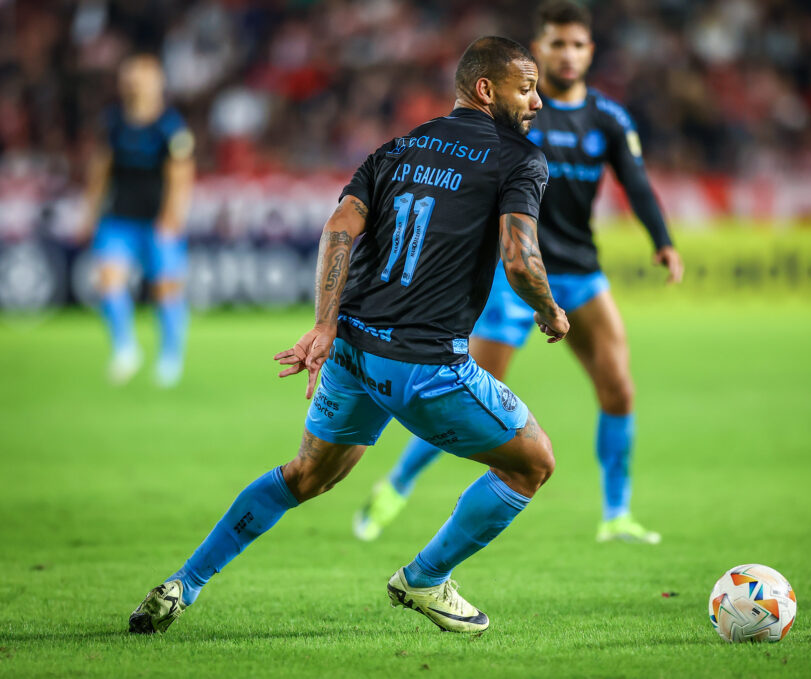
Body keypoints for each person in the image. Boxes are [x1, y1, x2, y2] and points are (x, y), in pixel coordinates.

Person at [128, 36, 569, 635]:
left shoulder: (396, 149)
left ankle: (185, 582)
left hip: (353, 352)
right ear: (486, 89)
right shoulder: (519, 158)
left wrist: (324, 323)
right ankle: (425, 578)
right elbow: (520, 261)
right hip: (425, 365)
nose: (538, 101)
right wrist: (550, 310)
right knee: (532, 463)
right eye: (527, 87)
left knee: (307, 475)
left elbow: (339, 227)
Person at [354, 0, 684, 545]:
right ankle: (397, 485)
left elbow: (638, 182)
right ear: (541, 47)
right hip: (515, 273)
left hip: (579, 269)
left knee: (619, 388)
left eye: (578, 44)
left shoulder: (608, 118)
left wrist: (664, 241)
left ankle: (617, 514)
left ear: (590, 51)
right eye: (557, 44)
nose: (568, 54)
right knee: (468, 395)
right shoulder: (517, 111)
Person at [80, 54, 195, 387]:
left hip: (157, 220)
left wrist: (172, 216)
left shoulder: (170, 126)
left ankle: (170, 358)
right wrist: (89, 213)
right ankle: (125, 348)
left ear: (156, 83)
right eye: (129, 77)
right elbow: (100, 170)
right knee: (109, 280)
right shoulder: (113, 122)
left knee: (165, 290)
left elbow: (181, 175)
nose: (133, 83)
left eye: (140, 77)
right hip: (119, 217)